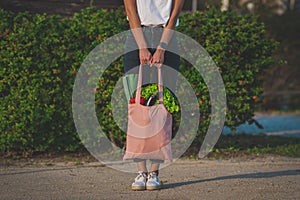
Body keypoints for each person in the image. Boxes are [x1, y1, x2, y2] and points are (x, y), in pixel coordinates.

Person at [123, 0, 185, 191]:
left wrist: (162, 48)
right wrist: (142, 47)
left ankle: (154, 172)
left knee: (163, 104)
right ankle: (141, 171)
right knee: (135, 103)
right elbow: (131, 12)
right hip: (136, 36)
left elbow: (173, 16)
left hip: (167, 37)